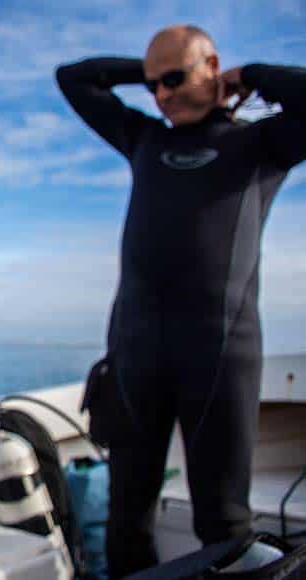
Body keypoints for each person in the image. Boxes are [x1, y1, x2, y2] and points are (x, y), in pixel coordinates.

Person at [56, 24, 305, 578]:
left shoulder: (263, 143)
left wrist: (253, 76)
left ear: (213, 64)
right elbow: (73, 79)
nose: (162, 95)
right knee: (126, 519)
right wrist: (150, 73)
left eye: (174, 78)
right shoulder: (144, 138)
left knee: (224, 525)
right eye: (153, 86)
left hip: (219, 356)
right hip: (135, 354)